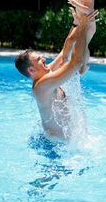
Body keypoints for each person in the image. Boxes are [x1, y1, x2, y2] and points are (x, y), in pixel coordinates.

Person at [14, 10, 99, 141]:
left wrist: (76, 23)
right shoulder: (41, 86)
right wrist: (83, 28)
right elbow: (75, 63)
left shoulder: (46, 73)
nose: (43, 59)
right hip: (56, 146)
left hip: (62, 142)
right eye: (38, 60)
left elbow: (65, 53)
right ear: (31, 70)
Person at [62, 0, 99, 74]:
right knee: (69, 40)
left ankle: (84, 65)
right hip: (80, 23)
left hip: (89, 26)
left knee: (84, 45)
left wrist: (76, 4)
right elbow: (74, 1)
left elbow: (88, 10)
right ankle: (63, 60)